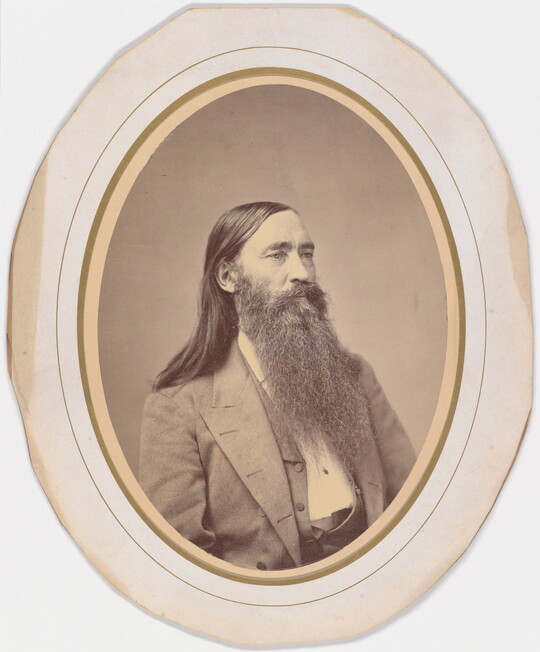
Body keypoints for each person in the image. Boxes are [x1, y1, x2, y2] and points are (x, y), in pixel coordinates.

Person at [139, 201, 416, 571]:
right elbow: (183, 561)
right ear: (228, 276)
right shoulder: (178, 408)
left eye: (306, 254)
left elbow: (414, 498)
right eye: (277, 255)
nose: (302, 272)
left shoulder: (356, 374)